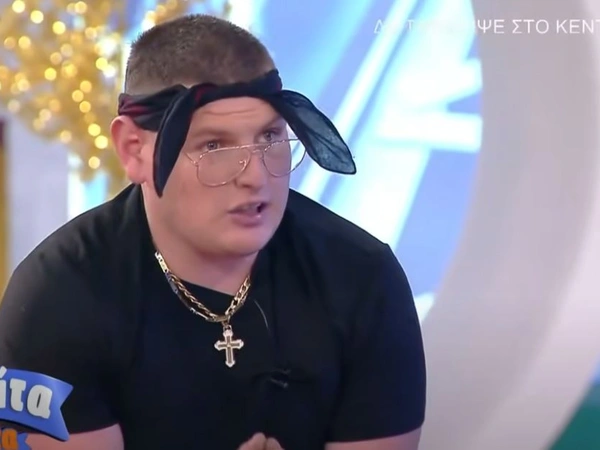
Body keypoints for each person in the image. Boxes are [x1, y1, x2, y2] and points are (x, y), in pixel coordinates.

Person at [0, 13, 426, 450]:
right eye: (214, 146)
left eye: (269, 137)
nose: (255, 177)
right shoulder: (56, 296)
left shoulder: (361, 278)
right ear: (134, 150)